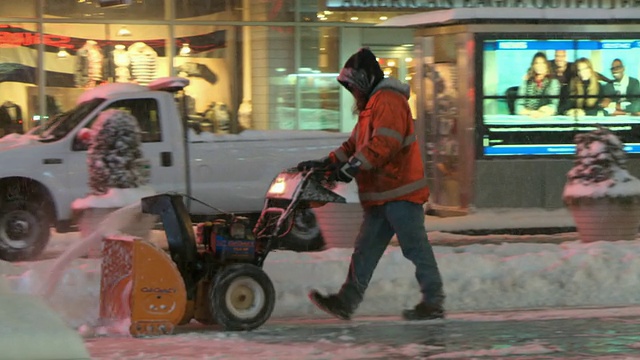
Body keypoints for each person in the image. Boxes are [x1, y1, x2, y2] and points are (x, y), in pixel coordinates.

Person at [296, 48, 445, 321]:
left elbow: (385, 143)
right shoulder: (371, 107)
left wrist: (351, 167)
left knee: (415, 247)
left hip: (400, 192)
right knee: (365, 250)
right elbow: (354, 145)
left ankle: (434, 301)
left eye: (353, 86)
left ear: (364, 80)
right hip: (380, 195)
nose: (351, 93)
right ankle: (346, 301)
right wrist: (327, 163)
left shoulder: (387, 100)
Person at [515, 51, 560, 118]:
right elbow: (518, 107)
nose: (539, 66)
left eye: (542, 63)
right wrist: (530, 113)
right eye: (536, 63)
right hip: (528, 117)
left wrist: (543, 112)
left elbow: (554, 106)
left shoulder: (553, 82)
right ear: (533, 65)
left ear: (547, 66)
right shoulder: (526, 81)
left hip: (545, 117)